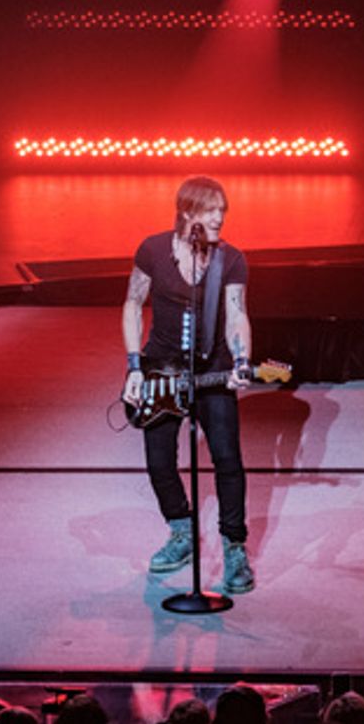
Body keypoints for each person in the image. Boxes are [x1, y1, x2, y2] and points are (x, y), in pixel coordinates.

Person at [122, 176, 255, 595]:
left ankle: (234, 547)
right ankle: (181, 532)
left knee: (227, 459)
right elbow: (131, 304)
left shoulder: (230, 260)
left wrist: (242, 360)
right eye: (211, 210)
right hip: (159, 368)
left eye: (223, 211)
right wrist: (133, 367)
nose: (220, 218)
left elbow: (236, 313)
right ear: (187, 213)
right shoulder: (153, 250)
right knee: (159, 462)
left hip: (211, 367)